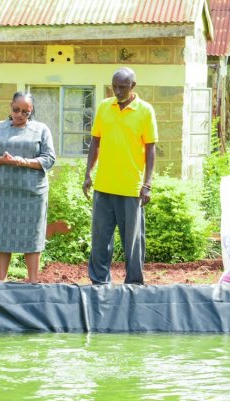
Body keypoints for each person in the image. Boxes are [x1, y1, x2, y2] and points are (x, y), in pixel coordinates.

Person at [82, 67, 157, 285]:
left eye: (122, 87)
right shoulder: (105, 107)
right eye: (114, 86)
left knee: (132, 242)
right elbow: (95, 141)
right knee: (100, 239)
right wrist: (88, 173)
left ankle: (133, 284)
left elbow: (151, 149)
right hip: (104, 186)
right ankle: (99, 282)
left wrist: (148, 184)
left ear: (133, 86)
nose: (117, 91)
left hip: (130, 188)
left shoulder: (145, 111)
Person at [0, 92, 56, 283]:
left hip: (31, 194)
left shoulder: (41, 130)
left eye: (26, 112)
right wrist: (1, 160)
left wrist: (26, 162)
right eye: (16, 110)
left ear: (31, 112)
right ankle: (1, 282)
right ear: (10, 106)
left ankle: (33, 281)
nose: (20, 114)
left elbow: (49, 158)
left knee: (32, 237)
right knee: (2, 236)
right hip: (2, 193)